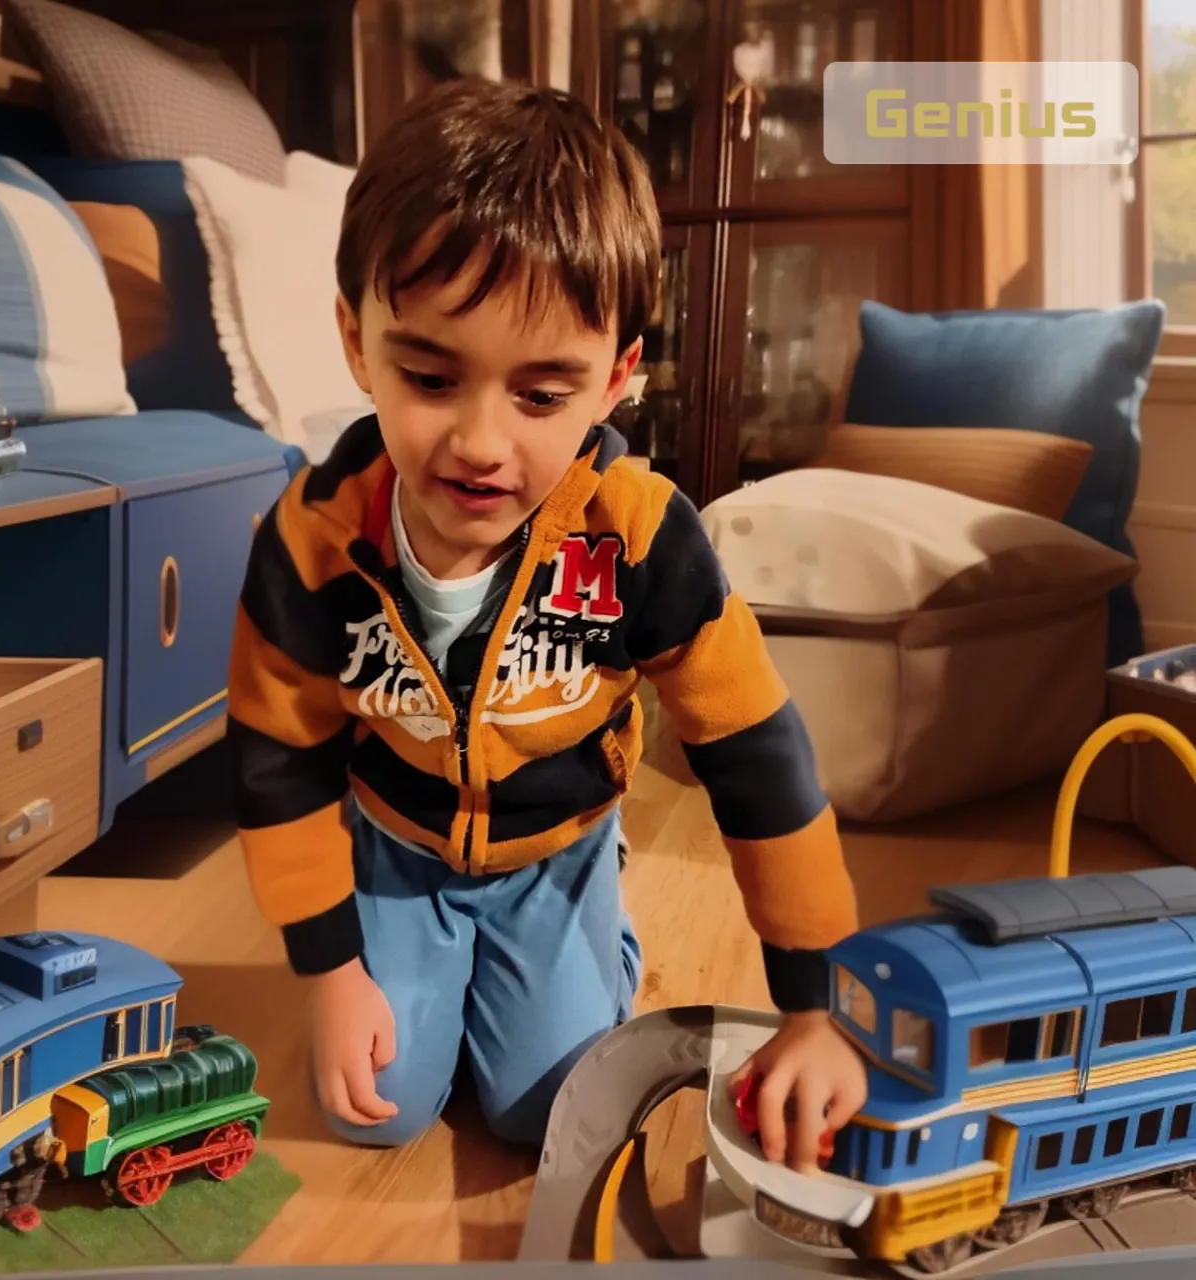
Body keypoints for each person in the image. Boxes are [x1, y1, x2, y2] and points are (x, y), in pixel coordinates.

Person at [226, 76, 867, 1168]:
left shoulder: (641, 538)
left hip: (555, 849)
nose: (479, 442)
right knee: (370, 1105)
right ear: (355, 339)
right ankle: (434, 958)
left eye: (539, 394)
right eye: (429, 374)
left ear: (616, 378)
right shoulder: (309, 539)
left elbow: (758, 756)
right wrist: (330, 969)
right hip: (396, 845)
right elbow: (277, 764)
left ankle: (590, 938)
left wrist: (813, 1005)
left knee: (544, 1112)